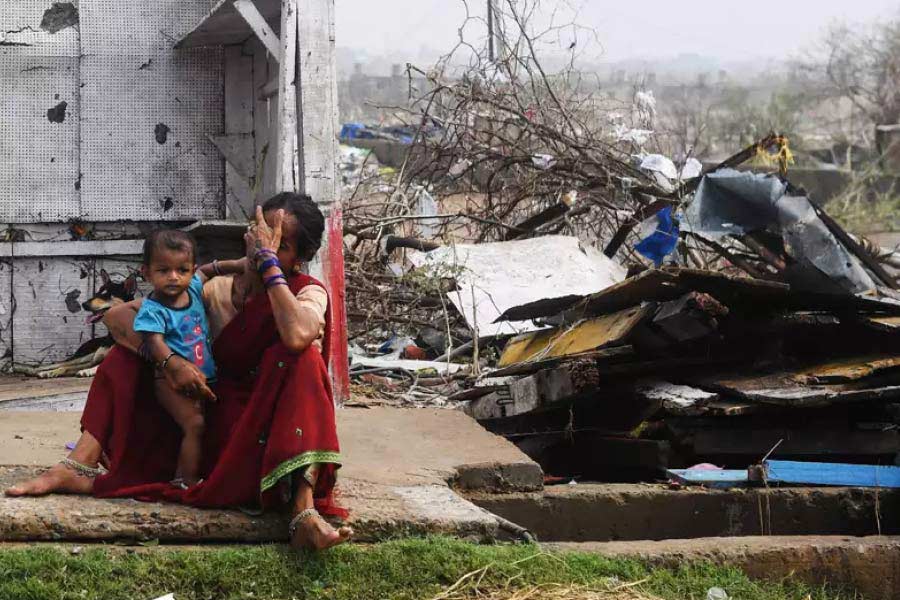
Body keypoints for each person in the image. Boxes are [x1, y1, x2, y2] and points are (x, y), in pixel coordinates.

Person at [6, 193, 353, 550]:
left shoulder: (307, 294)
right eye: (260, 233)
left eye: (281, 244)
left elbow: (296, 335)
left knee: (304, 360)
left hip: (262, 435)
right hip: (204, 419)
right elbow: (118, 317)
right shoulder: (212, 289)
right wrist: (170, 362)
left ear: (300, 259)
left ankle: (302, 509)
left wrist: (267, 264)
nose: (262, 246)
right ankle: (79, 464)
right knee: (125, 355)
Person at [135, 230, 218, 489]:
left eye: (182, 270)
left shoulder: (193, 289)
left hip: (206, 378)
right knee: (195, 424)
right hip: (169, 381)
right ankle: (186, 480)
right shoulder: (153, 309)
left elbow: (207, 271)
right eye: (163, 270)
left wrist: (235, 265)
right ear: (146, 272)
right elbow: (155, 343)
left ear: (191, 271)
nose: (174, 277)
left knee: (210, 425)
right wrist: (174, 368)